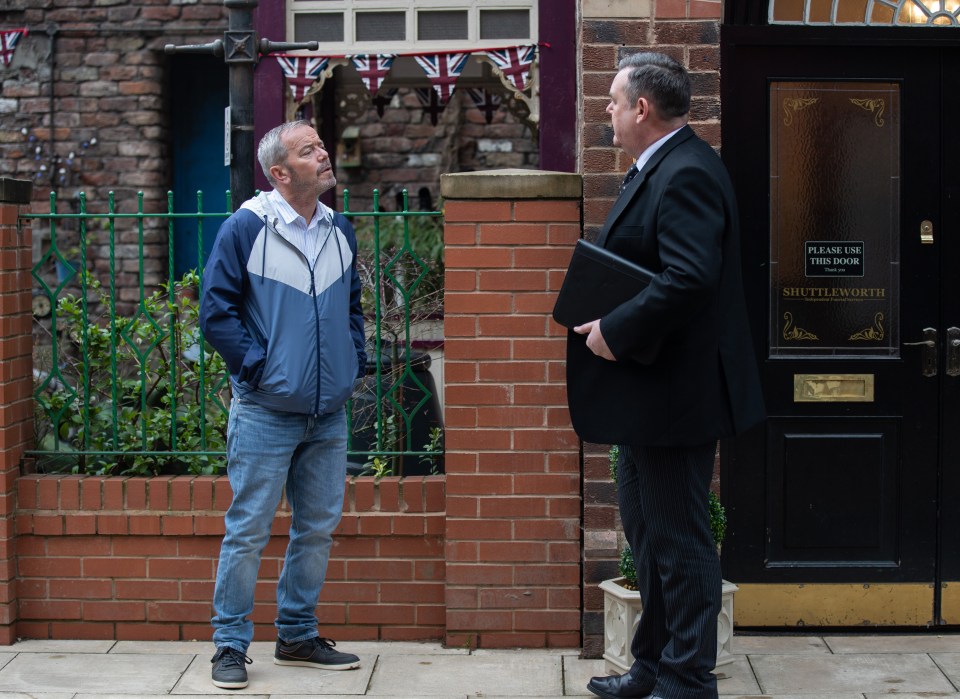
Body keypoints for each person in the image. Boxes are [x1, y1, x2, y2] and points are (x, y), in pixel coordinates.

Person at [566, 54, 765, 699]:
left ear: (642, 109)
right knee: (647, 533)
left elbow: (688, 278)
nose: (608, 110)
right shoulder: (660, 168)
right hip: (648, 395)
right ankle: (651, 665)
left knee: (678, 538)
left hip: (676, 396)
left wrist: (614, 330)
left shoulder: (685, 173)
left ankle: (686, 677)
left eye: (614, 100)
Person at [199, 120, 367, 690]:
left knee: (316, 529)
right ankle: (229, 644)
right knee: (248, 529)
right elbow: (216, 313)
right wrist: (258, 368)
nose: (323, 154)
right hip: (266, 410)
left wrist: (352, 359)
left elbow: (352, 309)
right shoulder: (247, 228)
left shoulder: (338, 228)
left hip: (328, 412)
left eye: (321, 145)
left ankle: (296, 635)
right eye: (308, 150)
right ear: (279, 172)